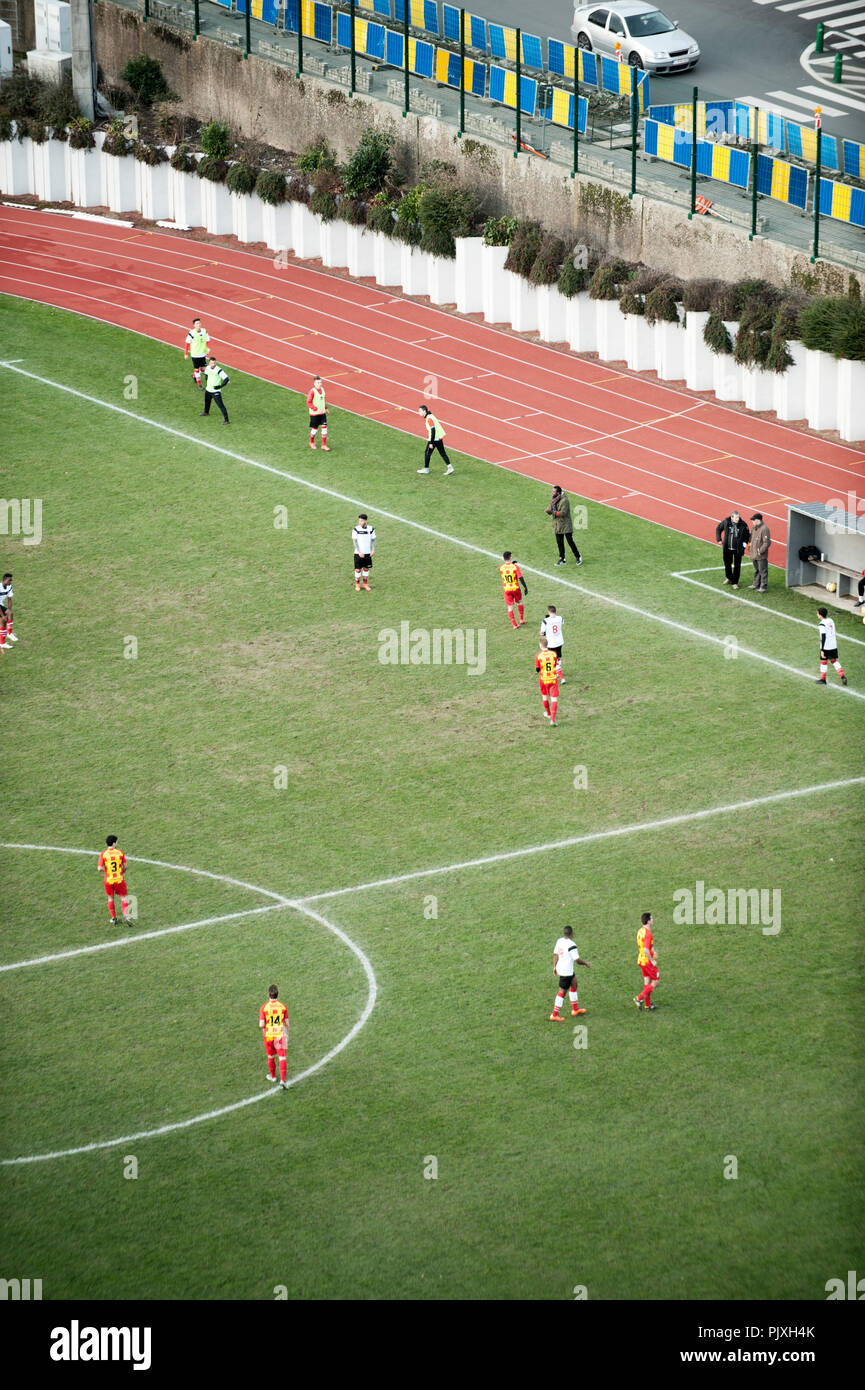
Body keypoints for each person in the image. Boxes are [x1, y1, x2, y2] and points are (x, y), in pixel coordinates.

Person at [549, 925, 590, 1021]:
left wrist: (554, 966)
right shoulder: (572, 945)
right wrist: (585, 963)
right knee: (562, 992)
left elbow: (555, 954)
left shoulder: (559, 941)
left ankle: (575, 1010)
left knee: (574, 984)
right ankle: (554, 1015)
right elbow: (577, 960)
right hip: (566, 972)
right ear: (572, 933)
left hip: (565, 970)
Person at [259, 984, 290, 1089]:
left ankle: (273, 1076)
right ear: (278, 994)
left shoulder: (264, 1008)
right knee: (282, 1057)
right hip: (280, 1035)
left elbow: (261, 1024)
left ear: (268, 994)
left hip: (269, 1036)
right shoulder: (282, 1007)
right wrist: (287, 1034)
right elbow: (287, 1023)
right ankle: (283, 1081)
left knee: (271, 1056)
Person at [98, 835, 131, 926]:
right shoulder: (120, 853)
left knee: (110, 898)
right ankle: (125, 917)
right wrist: (121, 872)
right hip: (119, 879)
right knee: (124, 897)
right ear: (114, 843)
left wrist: (107, 871)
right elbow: (125, 866)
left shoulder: (103, 854)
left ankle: (114, 918)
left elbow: (99, 868)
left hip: (109, 880)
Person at [546, 486, 582, 566]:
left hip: (565, 524)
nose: (552, 493)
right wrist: (548, 511)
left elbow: (563, 513)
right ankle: (562, 559)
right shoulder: (554, 499)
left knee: (570, 542)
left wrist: (552, 512)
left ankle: (578, 556)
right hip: (557, 524)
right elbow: (551, 507)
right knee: (560, 542)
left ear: (558, 493)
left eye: (554, 492)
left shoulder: (564, 500)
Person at [715, 509, 750, 588]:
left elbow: (747, 536)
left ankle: (735, 583)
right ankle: (729, 577)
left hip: (738, 549)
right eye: (736, 518)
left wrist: (743, 546)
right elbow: (718, 528)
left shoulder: (743, 524)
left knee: (737, 566)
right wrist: (719, 539)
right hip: (727, 548)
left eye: (738, 517)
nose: (737, 519)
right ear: (732, 517)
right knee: (727, 564)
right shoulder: (726, 522)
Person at [417, 406, 454, 476]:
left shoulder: (429, 418)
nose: (419, 413)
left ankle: (426, 469)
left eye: (420, 411)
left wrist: (431, 442)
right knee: (442, 453)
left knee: (427, 453)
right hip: (438, 438)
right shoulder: (430, 416)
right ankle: (450, 467)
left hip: (434, 439)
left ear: (424, 411)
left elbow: (433, 430)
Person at [815, 606, 847, 686]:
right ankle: (843, 676)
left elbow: (823, 636)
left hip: (826, 647)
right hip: (833, 645)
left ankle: (823, 679)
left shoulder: (821, 624)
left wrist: (822, 649)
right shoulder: (831, 620)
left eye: (817, 613)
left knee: (823, 662)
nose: (817, 614)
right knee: (834, 661)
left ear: (820, 615)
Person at [634, 911, 658, 1011]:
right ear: (648, 921)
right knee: (655, 982)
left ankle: (647, 1005)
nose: (653, 920)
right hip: (647, 962)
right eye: (651, 918)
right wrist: (652, 960)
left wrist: (653, 951)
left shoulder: (640, 931)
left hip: (641, 960)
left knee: (647, 981)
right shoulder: (648, 934)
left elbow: (643, 946)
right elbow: (645, 949)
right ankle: (638, 998)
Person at [535, 635, 561, 726]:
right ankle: (553, 720)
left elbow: (538, 669)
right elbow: (555, 665)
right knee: (554, 699)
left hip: (543, 679)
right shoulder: (554, 654)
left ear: (540, 645)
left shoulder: (538, 656)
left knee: (545, 697)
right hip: (553, 679)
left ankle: (548, 713)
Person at [499, 551, 528, 629]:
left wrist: (512, 564)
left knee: (510, 607)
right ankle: (521, 619)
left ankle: (514, 625)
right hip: (515, 588)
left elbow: (507, 569)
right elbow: (520, 578)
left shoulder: (500, 567)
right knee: (519, 602)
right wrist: (525, 587)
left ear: (503, 558)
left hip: (507, 589)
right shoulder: (515, 567)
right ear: (510, 557)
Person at [200, 356, 230, 424]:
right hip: (208, 389)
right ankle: (206, 412)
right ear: (209, 363)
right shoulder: (207, 368)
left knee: (221, 405)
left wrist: (220, 386)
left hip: (215, 391)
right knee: (207, 401)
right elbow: (206, 375)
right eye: (212, 363)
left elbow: (226, 379)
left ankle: (226, 420)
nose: (213, 364)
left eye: (214, 363)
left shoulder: (219, 370)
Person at [183, 317, 211, 389]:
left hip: (203, 354)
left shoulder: (204, 331)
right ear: (194, 325)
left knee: (203, 369)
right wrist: (185, 354)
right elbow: (187, 343)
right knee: (197, 369)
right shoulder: (191, 333)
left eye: (199, 323)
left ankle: (194, 375)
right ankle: (199, 384)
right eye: (197, 323)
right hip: (195, 355)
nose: (199, 324)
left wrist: (208, 348)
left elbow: (208, 340)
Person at [747, 512, 771, 593]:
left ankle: (763, 587)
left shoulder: (764, 529)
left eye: (753, 520)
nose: (752, 521)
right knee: (757, 569)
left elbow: (767, 542)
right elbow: (750, 538)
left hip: (760, 555)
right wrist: (750, 547)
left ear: (758, 520)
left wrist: (760, 551)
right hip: (754, 553)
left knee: (763, 571)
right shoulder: (754, 527)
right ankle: (755, 584)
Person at [540, 605, 565, 683]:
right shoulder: (560, 618)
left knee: (554, 660)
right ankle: (559, 670)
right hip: (559, 641)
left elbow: (542, 633)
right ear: (555, 611)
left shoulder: (545, 621)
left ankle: (559, 674)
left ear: (549, 612)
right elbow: (561, 623)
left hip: (551, 643)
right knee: (559, 656)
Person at [352, 513, 375, 592]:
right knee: (358, 570)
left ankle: (365, 584)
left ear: (365, 521)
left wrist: (373, 550)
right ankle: (357, 584)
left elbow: (373, 540)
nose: (360, 522)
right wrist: (359, 552)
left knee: (366, 568)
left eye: (361, 521)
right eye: (359, 520)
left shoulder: (371, 529)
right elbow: (355, 541)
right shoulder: (356, 529)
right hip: (358, 553)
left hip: (367, 553)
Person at [307, 375, 330, 451]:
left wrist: (326, 409)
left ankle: (324, 445)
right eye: (318, 382)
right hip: (314, 414)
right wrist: (316, 409)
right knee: (315, 429)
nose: (319, 384)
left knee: (324, 427)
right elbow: (308, 403)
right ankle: (311, 442)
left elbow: (323, 400)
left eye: (320, 382)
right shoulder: (312, 392)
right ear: (314, 383)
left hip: (322, 413)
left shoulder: (323, 390)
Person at [0, 572, 15, 652]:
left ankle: (2, 643)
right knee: (8, 615)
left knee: (3, 622)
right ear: (5, 580)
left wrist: (9, 609)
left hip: (0, 605)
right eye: (9, 580)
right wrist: (3, 615)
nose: (10, 582)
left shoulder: (9, 587)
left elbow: (9, 599)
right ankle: (9, 633)